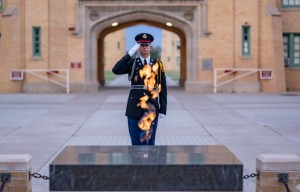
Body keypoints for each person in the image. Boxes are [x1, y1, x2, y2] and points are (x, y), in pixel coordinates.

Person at [112, 33, 167, 145]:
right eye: (141, 44)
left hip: (151, 107)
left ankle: (151, 163)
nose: (144, 47)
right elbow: (116, 70)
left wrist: (163, 109)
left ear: (150, 47)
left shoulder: (158, 64)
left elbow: (163, 87)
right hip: (134, 107)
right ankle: (136, 163)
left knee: (150, 142)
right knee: (135, 142)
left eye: (147, 44)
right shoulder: (132, 63)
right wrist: (129, 54)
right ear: (138, 47)